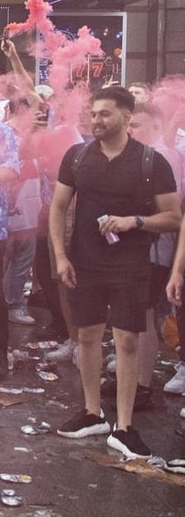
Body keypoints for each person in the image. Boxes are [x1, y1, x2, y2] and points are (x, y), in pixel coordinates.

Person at [52, 87, 179, 459]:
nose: (97, 121)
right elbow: (58, 208)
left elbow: (173, 217)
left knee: (127, 341)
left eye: (105, 114)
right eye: (94, 114)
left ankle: (124, 427)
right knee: (88, 336)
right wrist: (61, 257)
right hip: (84, 261)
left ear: (127, 116)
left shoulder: (151, 162)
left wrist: (133, 221)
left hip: (131, 264)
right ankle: (93, 413)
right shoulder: (77, 156)